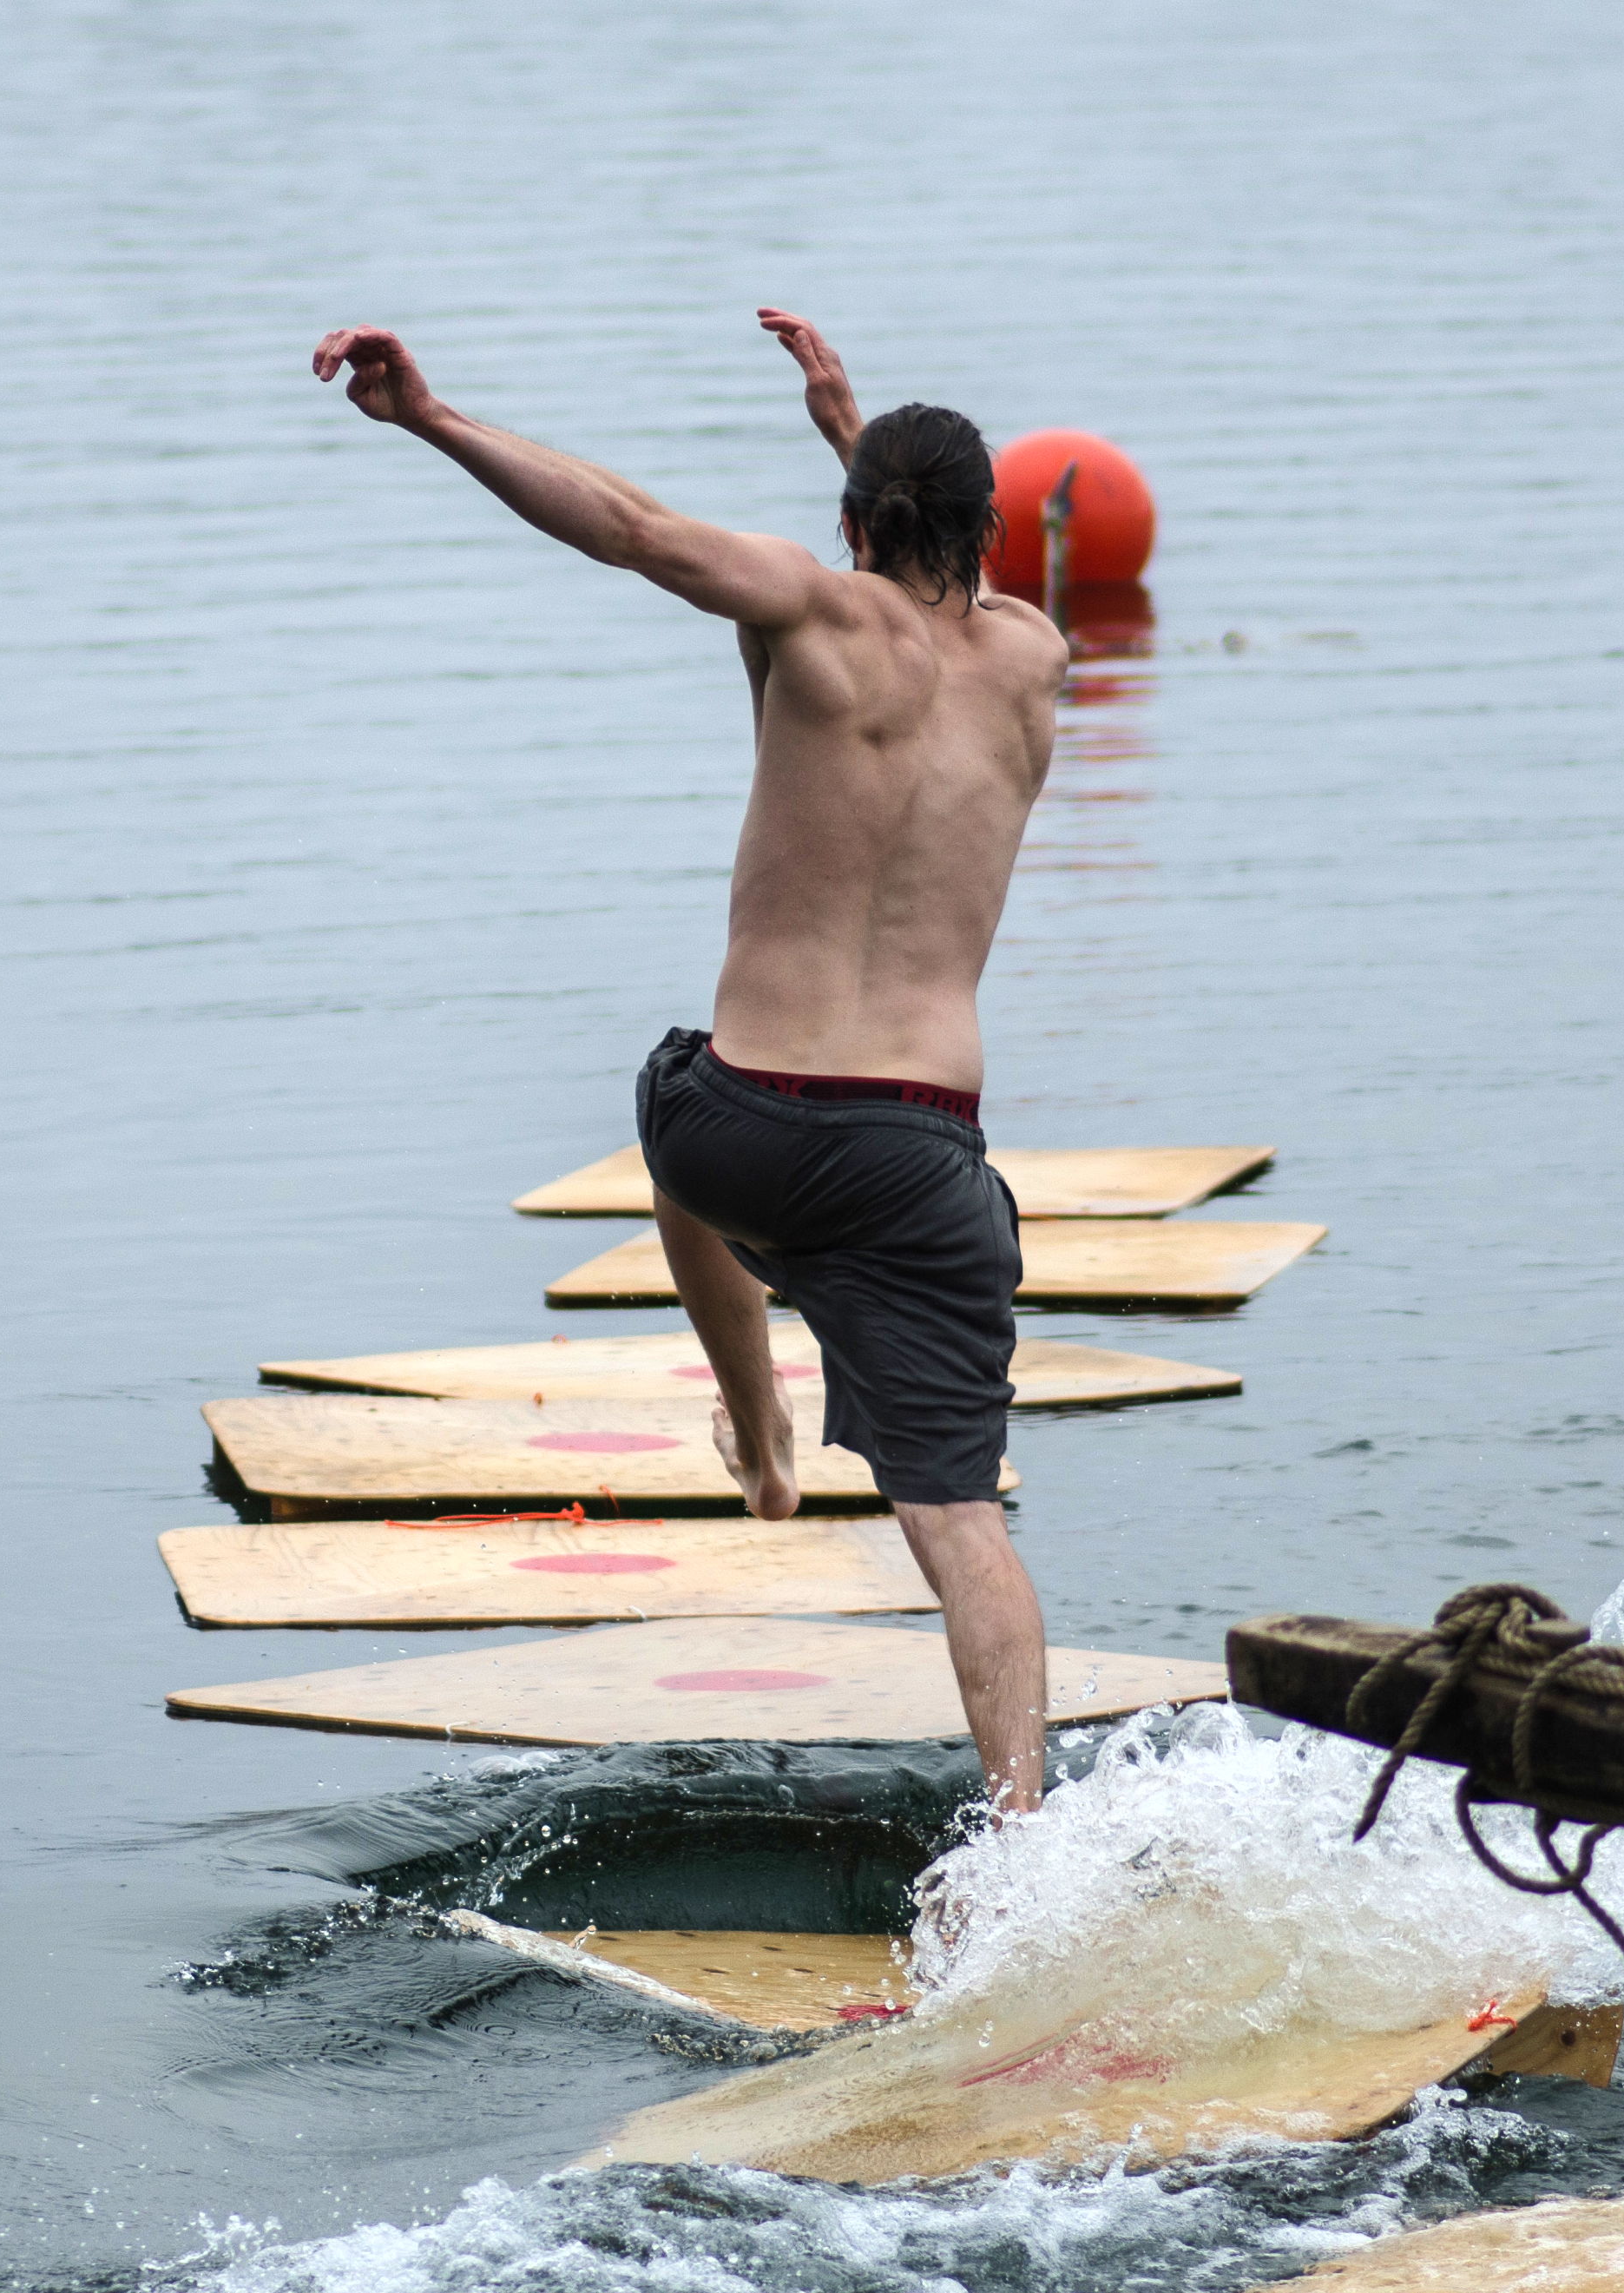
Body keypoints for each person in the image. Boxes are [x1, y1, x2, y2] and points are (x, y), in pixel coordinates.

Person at [311, 310, 1067, 1814]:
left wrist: (437, 416)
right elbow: (949, 588)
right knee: (964, 1528)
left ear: (850, 528)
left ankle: (765, 1439)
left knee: (679, 1124)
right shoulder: (1039, 665)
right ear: (984, 530)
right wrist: (859, 442)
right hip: (923, 1155)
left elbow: (635, 529)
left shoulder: (803, 609)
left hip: (747, 1123)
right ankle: (1025, 1830)